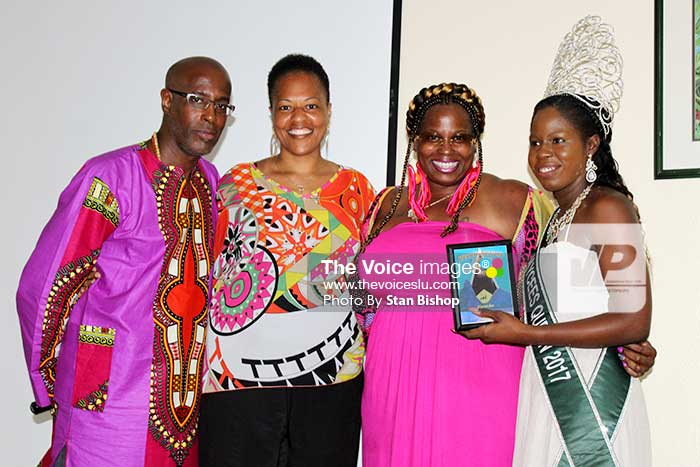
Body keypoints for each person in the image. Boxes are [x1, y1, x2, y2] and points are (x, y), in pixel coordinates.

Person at [357, 81, 656, 467]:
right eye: (432, 137)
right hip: (391, 387)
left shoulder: (518, 201)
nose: (446, 149)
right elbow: (359, 303)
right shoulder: (383, 205)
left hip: (477, 385)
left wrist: (627, 344)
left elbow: (555, 291)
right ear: (414, 142)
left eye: (460, 138)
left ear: (475, 142)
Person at [16, 56, 233, 467]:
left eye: (222, 105)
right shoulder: (110, 177)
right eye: (197, 99)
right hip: (108, 403)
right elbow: (46, 285)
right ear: (167, 101)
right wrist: (49, 381)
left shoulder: (210, 181)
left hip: (180, 406)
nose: (211, 115)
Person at [463, 16, 653, 466]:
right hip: (545, 389)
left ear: (590, 146)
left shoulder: (609, 207)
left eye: (557, 140)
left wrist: (528, 334)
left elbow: (634, 321)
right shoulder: (549, 217)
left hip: (592, 400)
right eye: (534, 141)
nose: (542, 153)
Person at [199, 54, 375, 467]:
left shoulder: (359, 190)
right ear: (271, 113)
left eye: (311, 105)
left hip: (331, 384)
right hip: (238, 385)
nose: (299, 118)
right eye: (286, 106)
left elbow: (367, 284)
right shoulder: (232, 185)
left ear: (329, 111)